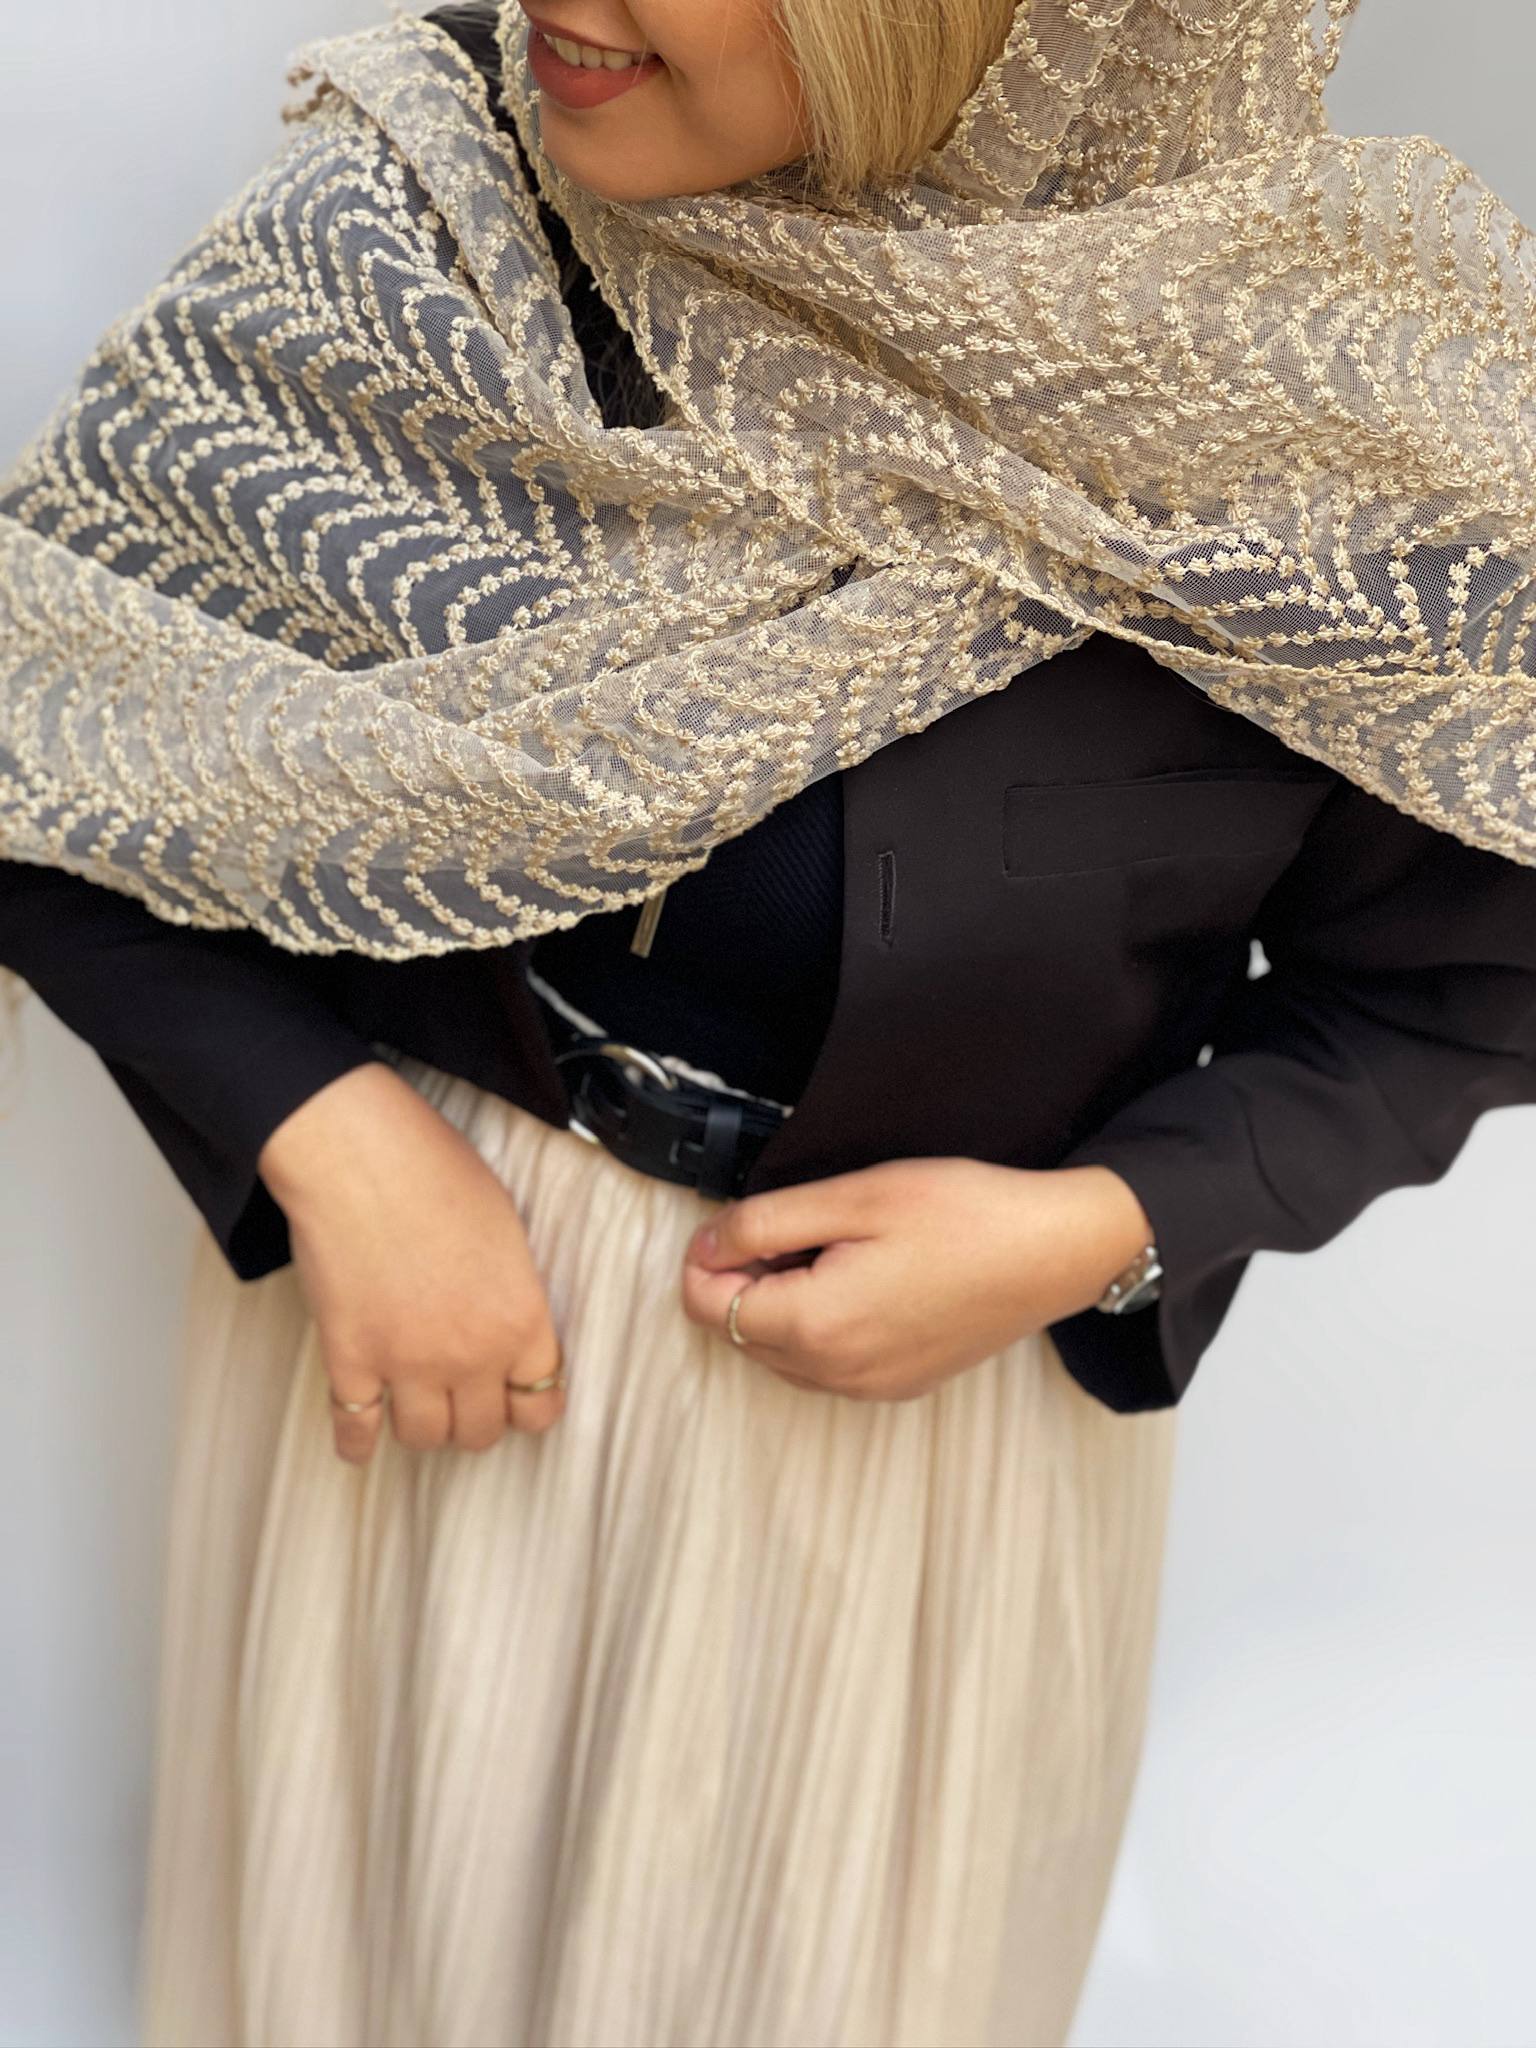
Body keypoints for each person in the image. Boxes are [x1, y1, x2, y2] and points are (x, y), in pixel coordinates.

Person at [2, 4, 1535, 2044]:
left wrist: (1094, 1228)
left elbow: (1462, 987)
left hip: (915, 1472)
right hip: (422, 1358)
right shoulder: (424, 225)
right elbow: (50, 719)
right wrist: (326, 1128)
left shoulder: (1316, 418)